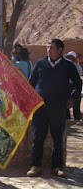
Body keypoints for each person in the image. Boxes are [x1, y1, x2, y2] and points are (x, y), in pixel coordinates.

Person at [27, 39, 82, 178]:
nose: (49, 50)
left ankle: (57, 167)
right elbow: (31, 82)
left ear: (60, 50)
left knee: (57, 137)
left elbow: (77, 83)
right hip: (40, 107)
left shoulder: (68, 66)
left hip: (58, 107)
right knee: (38, 136)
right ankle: (35, 166)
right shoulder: (40, 63)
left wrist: (73, 97)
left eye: (52, 48)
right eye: (48, 47)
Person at [65, 51, 82, 121]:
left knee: (76, 102)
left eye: (70, 57)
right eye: (68, 57)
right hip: (67, 85)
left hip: (74, 85)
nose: (68, 58)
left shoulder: (77, 67)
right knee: (66, 103)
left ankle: (77, 119)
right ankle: (67, 119)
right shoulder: (65, 66)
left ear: (73, 58)